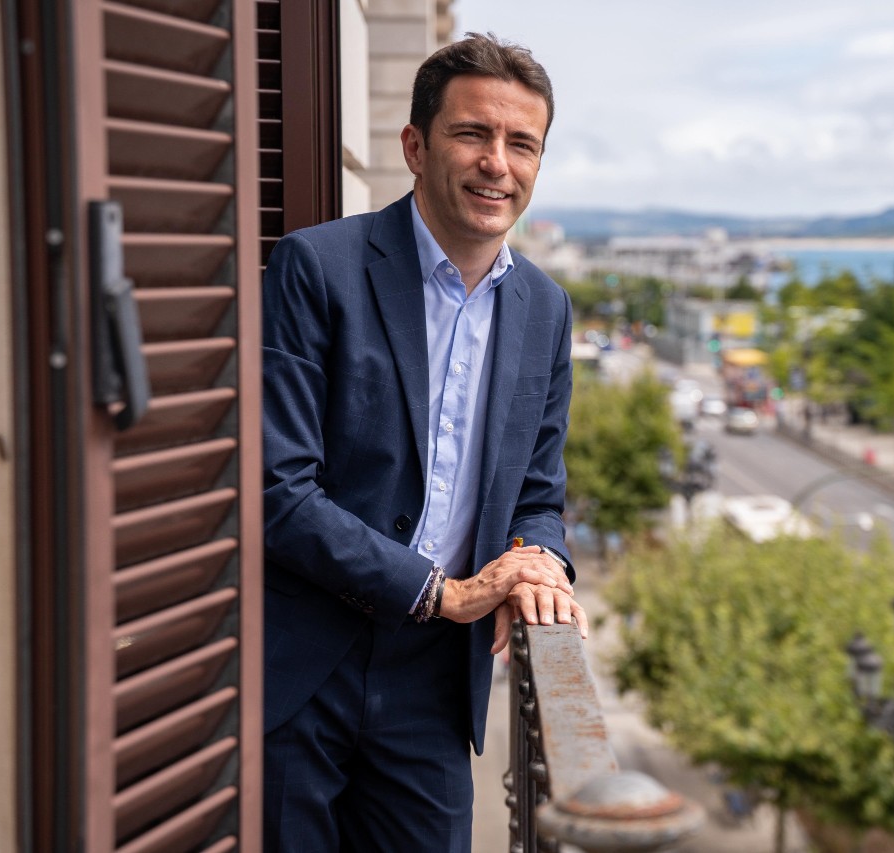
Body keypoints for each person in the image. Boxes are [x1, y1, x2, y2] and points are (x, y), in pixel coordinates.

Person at [261, 33, 586, 852]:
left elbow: (539, 494)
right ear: (415, 145)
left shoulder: (546, 310)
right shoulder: (316, 267)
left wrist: (541, 561)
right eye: (473, 134)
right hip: (301, 664)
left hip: (436, 682)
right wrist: (443, 591)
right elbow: (278, 491)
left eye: (522, 144)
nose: (497, 165)